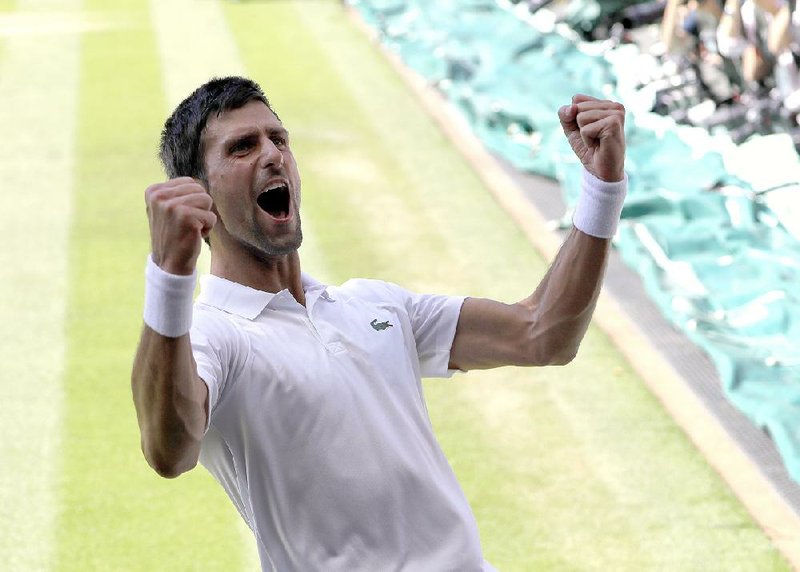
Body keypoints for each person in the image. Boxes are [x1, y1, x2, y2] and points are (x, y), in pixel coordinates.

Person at [131, 76, 627, 571]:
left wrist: (602, 188)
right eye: (242, 147)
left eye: (278, 139)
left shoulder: (375, 304)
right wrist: (168, 277)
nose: (272, 155)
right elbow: (169, 450)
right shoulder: (213, 336)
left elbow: (542, 333)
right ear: (200, 196)